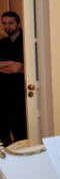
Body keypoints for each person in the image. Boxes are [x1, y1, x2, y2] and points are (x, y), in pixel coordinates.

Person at [0, 11, 26, 146]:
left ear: (18, 23)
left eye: (10, 23)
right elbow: (15, 66)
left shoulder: (25, 41)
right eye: (4, 23)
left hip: (19, 93)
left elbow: (18, 68)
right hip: (2, 92)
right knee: (3, 133)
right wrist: (11, 63)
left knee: (20, 133)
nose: (7, 26)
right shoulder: (3, 43)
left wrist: (5, 65)